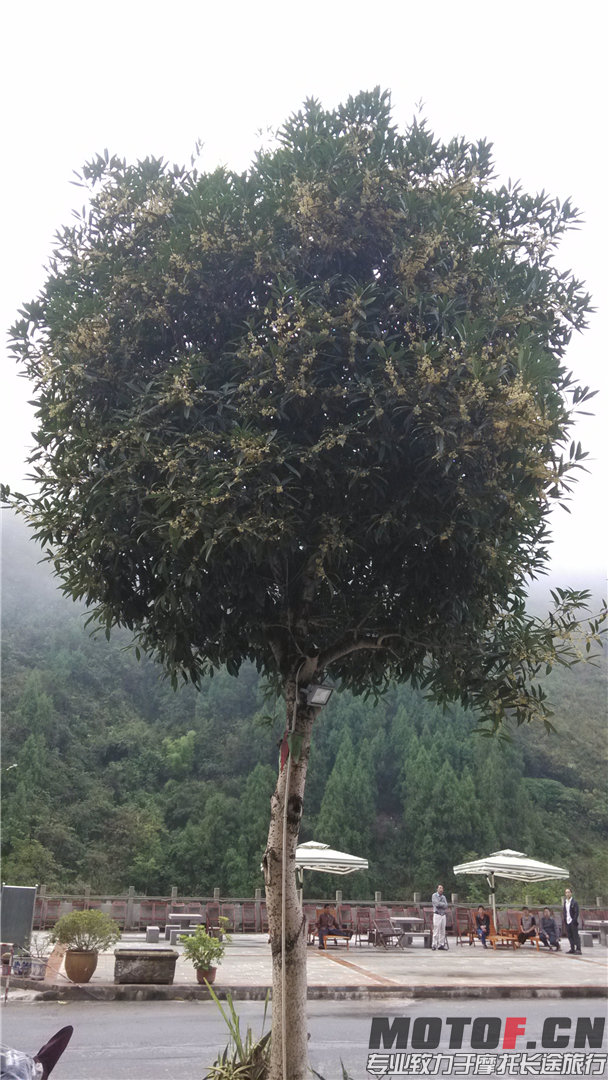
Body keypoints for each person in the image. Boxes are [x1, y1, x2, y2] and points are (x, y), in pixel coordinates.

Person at [562, 887, 581, 955]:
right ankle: (572, 948)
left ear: (571, 893)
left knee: (575, 935)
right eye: (566, 892)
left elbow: (576, 912)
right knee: (569, 935)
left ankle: (578, 949)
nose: (567, 894)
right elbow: (565, 911)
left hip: (573, 921)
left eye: (568, 892)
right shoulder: (565, 902)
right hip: (567, 921)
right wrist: (564, 919)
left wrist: (574, 920)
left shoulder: (574, 902)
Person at [431, 884, 448, 950]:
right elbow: (437, 904)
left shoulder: (444, 897)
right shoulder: (434, 895)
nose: (441, 889)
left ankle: (441, 944)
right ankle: (434, 944)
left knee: (442, 930)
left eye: (442, 888)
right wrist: (442, 904)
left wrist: (442, 904)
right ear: (437, 889)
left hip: (443, 915)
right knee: (436, 930)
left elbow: (446, 905)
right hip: (437, 914)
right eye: (440, 888)